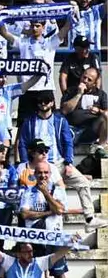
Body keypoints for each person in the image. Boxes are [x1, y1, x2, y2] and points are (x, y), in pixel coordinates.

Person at [17, 92, 106, 231]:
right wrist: (25, 164)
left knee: (82, 182)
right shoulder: (29, 122)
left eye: (46, 100)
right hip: (37, 166)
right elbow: (22, 143)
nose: (43, 103)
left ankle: (89, 218)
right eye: (40, 101)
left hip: (58, 163)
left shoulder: (60, 121)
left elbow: (67, 142)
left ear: (52, 102)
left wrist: (69, 162)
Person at [18, 160, 72, 278]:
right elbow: (24, 214)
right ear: (34, 174)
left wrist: (45, 193)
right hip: (35, 239)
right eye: (40, 172)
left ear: (50, 174)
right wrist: (48, 212)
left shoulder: (58, 190)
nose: (43, 175)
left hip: (54, 238)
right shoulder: (28, 192)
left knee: (60, 274)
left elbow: (60, 210)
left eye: (45, 173)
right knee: (33, 275)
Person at [61, 67, 108, 150]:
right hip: (72, 129)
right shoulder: (71, 91)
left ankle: (101, 148)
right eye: (84, 77)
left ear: (94, 83)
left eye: (89, 80)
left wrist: (99, 111)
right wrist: (79, 94)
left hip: (92, 130)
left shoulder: (101, 94)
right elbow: (64, 110)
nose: (85, 81)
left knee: (106, 115)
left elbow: (106, 112)